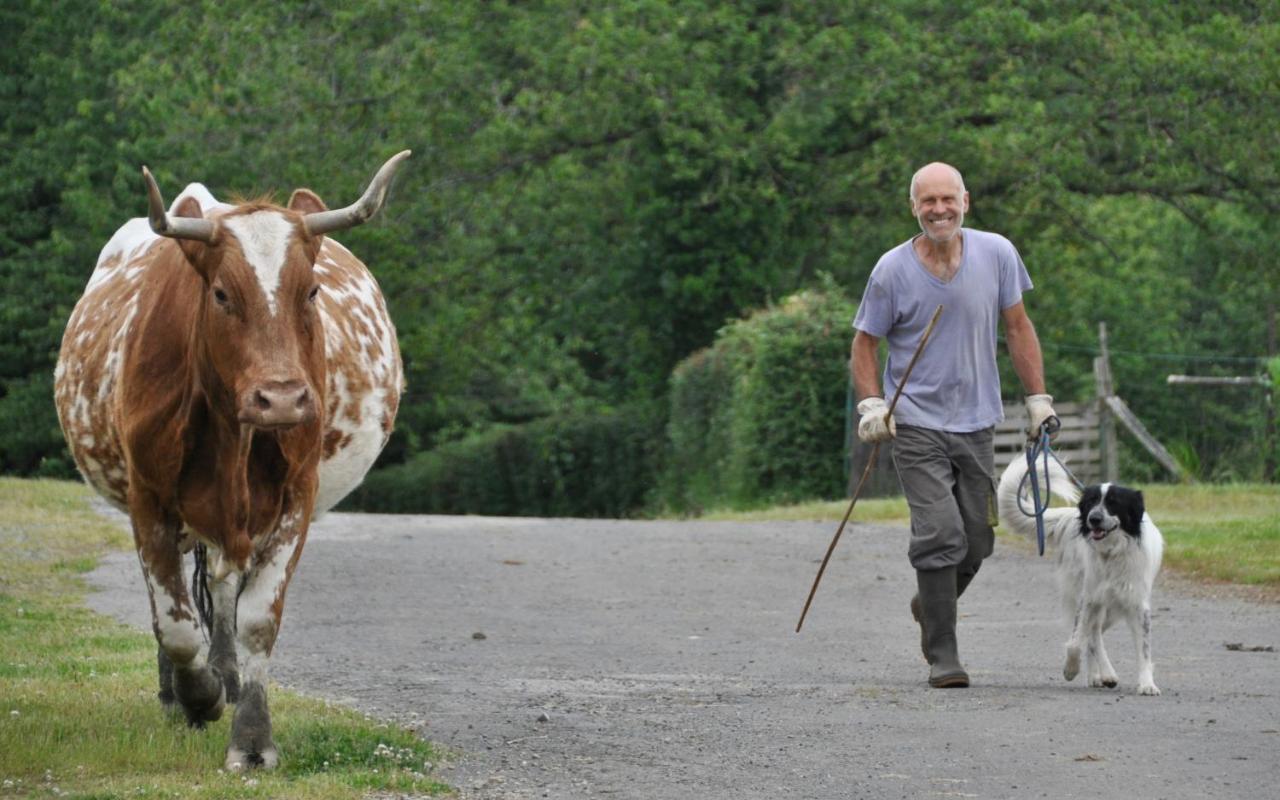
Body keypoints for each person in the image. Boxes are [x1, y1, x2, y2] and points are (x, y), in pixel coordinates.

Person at [851, 162, 1056, 688]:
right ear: (913, 208)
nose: (939, 210)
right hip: (915, 423)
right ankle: (944, 653)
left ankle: (931, 603)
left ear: (966, 200)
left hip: (977, 421)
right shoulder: (891, 270)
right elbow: (865, 343)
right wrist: (873, 405)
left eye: (948, 199)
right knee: (939, 533)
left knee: (978, 539)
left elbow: (1017, 326)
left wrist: (1038, 398)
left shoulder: (997, 253)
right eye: (928, 202)